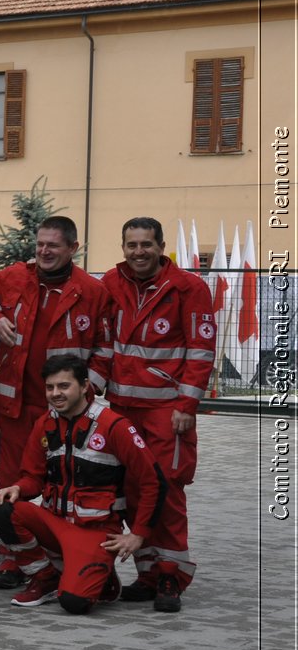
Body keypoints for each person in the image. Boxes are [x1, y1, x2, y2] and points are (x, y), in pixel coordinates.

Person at [0, 215, 114, 589]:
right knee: (7, 482)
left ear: (73, 248)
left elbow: (105, 348)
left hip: (62, 412)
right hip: (14, 408)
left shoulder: (92, 290)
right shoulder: (14, 277)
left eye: (53, 245)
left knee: (61, 488)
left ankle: (61, 558)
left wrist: (89, 392)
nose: (44, 251)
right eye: (40, 244)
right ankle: (12, 560)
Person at [0, 356, 165, 614]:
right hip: (54, 521)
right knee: (2, 509)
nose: (55, 394)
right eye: (50, 388)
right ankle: (46, 576)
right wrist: (17, 489)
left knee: (74, 603)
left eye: (63, 386)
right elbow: (33, 478)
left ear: (84, 386)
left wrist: (138, 534)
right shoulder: (45, 423)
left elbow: (153, 481)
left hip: (95, 531)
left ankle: (101, 578)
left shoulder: (113, 425)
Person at [101, 215, 214, 613]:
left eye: (146, 244)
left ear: (161, 246)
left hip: (167, 409)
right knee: (132, 491)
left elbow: (201, 352)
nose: (138, 252)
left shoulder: (189, 288)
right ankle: (147, 575)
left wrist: (187, 405)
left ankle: (171, 576)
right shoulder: (111, 284)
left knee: (167, 490)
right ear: (123, 247)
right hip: (122, 408)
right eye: (131, 245)